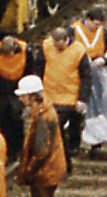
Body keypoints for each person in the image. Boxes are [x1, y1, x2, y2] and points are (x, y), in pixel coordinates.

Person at [15, 75, 66, 197]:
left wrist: (28, 170)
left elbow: (41, 151)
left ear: (31, 96)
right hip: (48, 172)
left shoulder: (43, 116)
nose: (21, 99)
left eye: (23, 96)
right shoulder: (43, 111)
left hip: (45, 174)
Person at [37, 25, 89, 160]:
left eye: (59, 45)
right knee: (55, 126)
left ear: (66, 39)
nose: (56, 48)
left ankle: (72, 147)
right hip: (50, 95)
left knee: (73, 124)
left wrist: (82, 98)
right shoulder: (46, 46)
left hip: (70, 96)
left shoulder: (78, 50)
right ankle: (61, 153)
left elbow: (86, 76)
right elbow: (38, 68)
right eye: (54, 44)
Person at [0, 36, 27, 159]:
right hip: (1, 92)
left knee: (17, 120)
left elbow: (30, 72)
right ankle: (8, 151)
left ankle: (18, 148)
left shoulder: (26, 51)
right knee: (3, 122)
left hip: (18, 91)